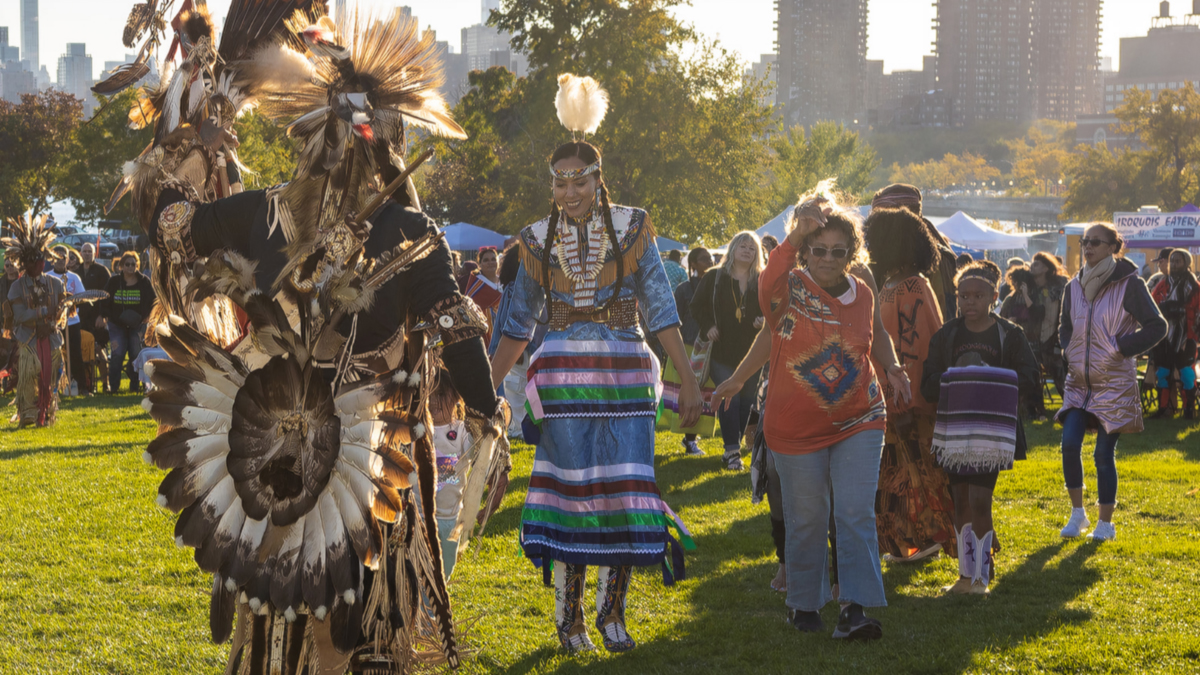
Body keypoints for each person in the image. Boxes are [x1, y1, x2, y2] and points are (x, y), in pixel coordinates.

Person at [109, 6, 505, 670]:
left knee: (286, 601)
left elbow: (171, 222)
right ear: (391, 144)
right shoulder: (412, 232)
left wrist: (193, 144)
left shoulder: (259, 212)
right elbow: (457, 335)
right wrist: (490, 412)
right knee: (352, 606)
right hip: (360, 442)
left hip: (265, 432)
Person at [489, 75, 701, 654]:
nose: (568, 191)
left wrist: (685, 375)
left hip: (628, 379)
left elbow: (661, 305)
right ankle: (569, 618)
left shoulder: (634, 225)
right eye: (558, 182)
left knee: (625, 492)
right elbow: (515, 323)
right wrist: (487, 389)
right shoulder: (533, 240)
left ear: (598, 179)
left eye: (578, 180)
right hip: (562, 382)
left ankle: (612, 614)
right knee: (572, 493)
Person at [750, 187, 911, 640]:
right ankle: (804, 604)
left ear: (850, 254)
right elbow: (765, 289)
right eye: (818, 250)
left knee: (855, 512)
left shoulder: (863, 291)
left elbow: (877, 332)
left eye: (838, 252)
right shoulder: (788, 287)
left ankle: (853, 609)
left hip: (860, 416)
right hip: (795, 426)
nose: (827, 258)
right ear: (805, 251)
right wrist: (794, 234)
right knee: (807, 516)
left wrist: (893, 367)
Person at [921, 261, 1040, 594]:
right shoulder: (947, 335)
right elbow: (927, 384)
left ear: (993, 296)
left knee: (979, 501)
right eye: (963, 296)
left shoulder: (1010, 335)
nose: (969, 302)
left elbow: (1030, 377)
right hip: (955, 431)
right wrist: (951, 381)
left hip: (991, 432)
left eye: (977, 295)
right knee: (959, 500)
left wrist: (992, 383)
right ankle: (964, 575)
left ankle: (983, 577)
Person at [1057, 223, 1165, 542]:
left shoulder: (1130, 284)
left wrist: (1121, 347)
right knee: (1068, 444)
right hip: (1078, 383)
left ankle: (1106, 523)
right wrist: (1068, 348)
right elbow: (1065, 326)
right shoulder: (1072, 287)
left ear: (1112, 247)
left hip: (1114, 384)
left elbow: (1157, 326)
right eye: (1084, 241)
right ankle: (1078, 514)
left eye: (1095, 242)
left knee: (1103, 454)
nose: (1087, 247)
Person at [864, 207, 956, 564]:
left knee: (918, 474)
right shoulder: (887, 283)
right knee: (894, 477)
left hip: (907, 403)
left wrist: (905, 402)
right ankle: (905, 541)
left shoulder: (914, 285)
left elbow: (919, 347)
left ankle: (928, 538)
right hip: (883, 399)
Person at [690, 231, 765, 470]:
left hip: (752, 352)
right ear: (732, 249)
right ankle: (732, 450)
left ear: (757, 254)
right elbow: (696, 306)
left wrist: (764, 320)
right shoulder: (715, 277)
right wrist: (708, 325)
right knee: (728, 397)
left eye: (752, 248)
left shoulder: (762, 280)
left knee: (747, 402)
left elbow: (774, 308)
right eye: (742, 245)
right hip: (721, 351)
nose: (747, 250)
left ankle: (734, 444)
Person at [2, 215, 64, 427]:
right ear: (24, 263)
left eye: (39, 258)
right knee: (29, 371)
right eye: (31, 260)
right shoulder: (16, 287)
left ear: (44, 260)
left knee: (51, 374)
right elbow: (19, 316)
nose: (36, 263)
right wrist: (43, 313)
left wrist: (54, 320)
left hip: (52, 337)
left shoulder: (55, 283)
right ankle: (28, 411)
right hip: (27, 338)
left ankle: (46, 412)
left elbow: (62, 311)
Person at [869, 184, 958, 321]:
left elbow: (946, 320)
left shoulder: (939, 259)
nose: (876, 228)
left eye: (882, 221)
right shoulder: (876, 257)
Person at [660, 246, 718, 454]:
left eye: (711, 258)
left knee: (703, 392)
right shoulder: (683, 289)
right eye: (704, 258)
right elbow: (675, 318)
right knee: (686, 392)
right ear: (692, 264)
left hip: (707, 347)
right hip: (685, 346)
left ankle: (692, 439)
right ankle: (689, 439)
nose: (710, 261)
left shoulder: (715, 286)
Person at [1149, 249, 1199, 418]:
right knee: (1162, 373)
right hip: (1164, 337)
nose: (1175, 264)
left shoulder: (1194, 286)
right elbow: (1151, 304)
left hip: (1187, 338)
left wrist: (1193, 336)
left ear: (1186, 263)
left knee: (1186, 374)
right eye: (1172, 261)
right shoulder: (1162, 284)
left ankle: (1189, 409)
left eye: (1178, 261)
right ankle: (1164, 408)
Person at [101, 251, 154, 394]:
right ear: (121, 266)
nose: (131, 267)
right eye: (128, 264)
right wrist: (104, 316)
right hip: (117, 324)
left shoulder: (144, 282)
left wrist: (148, 316)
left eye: (134, 264)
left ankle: (135, 386)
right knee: (117, 354)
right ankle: (114, 387)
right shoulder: (113, 282)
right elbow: (104, 300)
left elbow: (153, 301)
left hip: (137, 325)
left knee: (136, 354)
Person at [46, 246, 86, 395]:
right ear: (52, 259)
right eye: (57, 257)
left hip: (72, 321)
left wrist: (71, 304)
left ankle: (82, 387)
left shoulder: (74, 277)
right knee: (53, 354)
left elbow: (81, 297)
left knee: (75, 354)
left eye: (63, 257)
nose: (60, 260)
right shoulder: (47, 277)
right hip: (54, 323)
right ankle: (52, 386)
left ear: (68, 260)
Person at [464, 246, 503, 344]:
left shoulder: (505, 282)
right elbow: (469, 311)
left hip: (504, 332)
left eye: (493, 259)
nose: (490, 262)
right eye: (486, 260)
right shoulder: (476, 285)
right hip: (484, 334)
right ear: (480, 264)